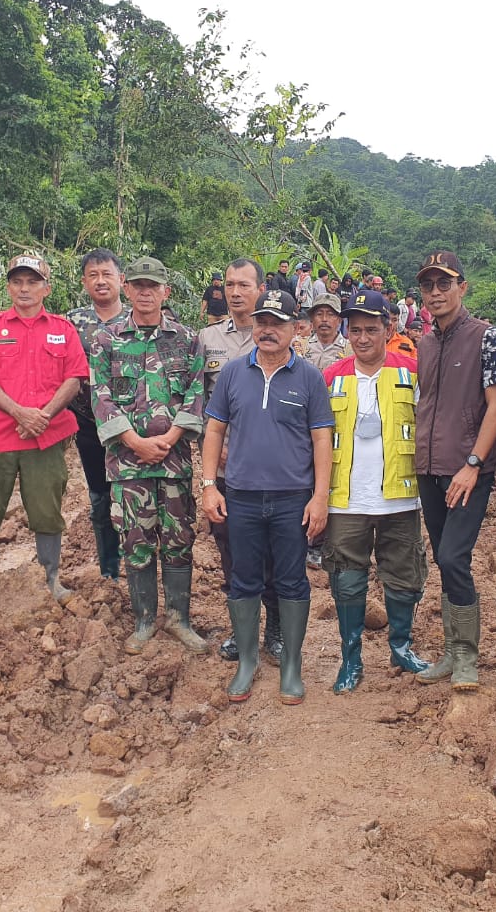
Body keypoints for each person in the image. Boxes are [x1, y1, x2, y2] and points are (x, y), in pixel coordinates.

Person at [202, 290, 333, 704]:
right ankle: (247, 660)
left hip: (292, 498)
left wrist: (320, 497)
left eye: (277, 323)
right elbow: (214, 431)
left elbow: (321, 438)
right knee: (243, 578)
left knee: (292, 579)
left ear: (297, 328)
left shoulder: (309, 376)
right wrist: (209, 485)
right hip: (240, 495)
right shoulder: (233, 374)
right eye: (262, 322)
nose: (267, 330)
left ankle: (291, 665)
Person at [90, 257, 208, 655]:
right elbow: (101, 398)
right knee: (135, 541)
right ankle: (143, 621)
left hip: (174, 464)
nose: (145, 291)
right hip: (128, 466)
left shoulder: (187, 339)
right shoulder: (106, 339)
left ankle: (179, 619)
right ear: (127, 288)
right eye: (138, 284)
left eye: (152, 285)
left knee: (179, 539)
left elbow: (195, 393)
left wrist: (173, 436)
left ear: (165, 292)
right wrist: (136, 443)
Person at [0, 255, 89, 603]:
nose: (24, 289)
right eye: (18, 282)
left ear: (47, 287)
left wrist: (41, 416)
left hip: (47, 438)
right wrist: (19, 413)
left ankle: (51, 581)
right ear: (9, 286)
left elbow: (74, 379)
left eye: (32, 282)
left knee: (47, 512)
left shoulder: (62, 329)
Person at [322, 290, 429, 692]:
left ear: (389, 328)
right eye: (356, 330)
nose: (363, 338)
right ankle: (351, 658)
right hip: (346, 496)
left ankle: (400, 646)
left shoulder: (411, 371)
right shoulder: (331, 376)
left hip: (401, 494)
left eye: (371, 329)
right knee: (346, 578)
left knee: (403, 574)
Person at [412, 250, 496, 691]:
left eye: (444, 283)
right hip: (430, 468)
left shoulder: (487, 337)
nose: (436, 292)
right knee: (444, 558)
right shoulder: (426, 343)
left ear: (462, 287)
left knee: (454, 556)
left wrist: (472, 464)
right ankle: (452, 651)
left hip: (468, 469)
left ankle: (467, 654)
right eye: (429, 285)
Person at [200, 258, 283, 662]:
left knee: (274, 552)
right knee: (233, 551)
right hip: (226, 470)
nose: (235, 292)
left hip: (271, 471)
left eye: (244, 285)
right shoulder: (208, 338)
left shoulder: (277, 335)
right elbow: (199, 404)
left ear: (261, 288)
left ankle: (278, 628)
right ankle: (242, 629)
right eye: (230, 284)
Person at [66, 248, 126, 581]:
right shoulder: (72, 322)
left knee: (133, 498)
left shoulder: (137, 320)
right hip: (89, 427)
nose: (100, 281)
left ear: (121, 279)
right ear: (84, 282)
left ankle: (139, 567)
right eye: (93, 275)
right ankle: (109, 573)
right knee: (100, 500)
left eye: (107, 274)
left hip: (132, 427)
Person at [303, 293, 351, 370]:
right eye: (319, 314)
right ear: (312, 318)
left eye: (330, 314)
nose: (324, 319)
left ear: (339, 319)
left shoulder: (350, 349)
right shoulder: (301, 345)